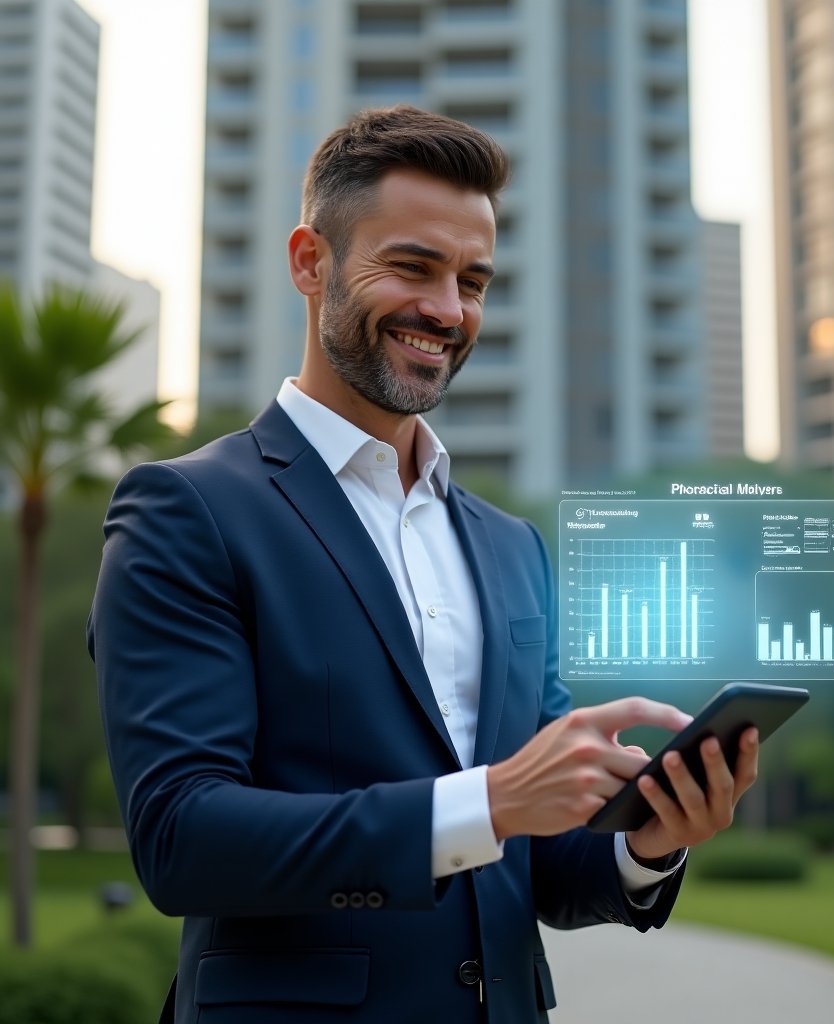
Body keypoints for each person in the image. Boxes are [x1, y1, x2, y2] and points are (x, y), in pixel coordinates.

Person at [88, 105, 759, 1024]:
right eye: (412, 266)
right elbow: (182, 839)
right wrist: (487, 800)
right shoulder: (185, 510)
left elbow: (535, 860)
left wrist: (647, 845)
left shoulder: (510, 546)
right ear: (309, 263)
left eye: (473, 279)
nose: (446, 309)